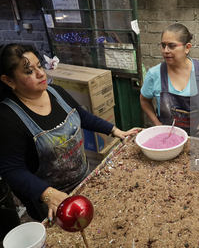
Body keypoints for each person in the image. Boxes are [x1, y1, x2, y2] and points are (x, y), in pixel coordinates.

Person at [0, 43, 139, 222]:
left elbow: (82, 116)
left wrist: (115, 130)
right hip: (51, 201)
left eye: (39, 66)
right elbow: (12, 170)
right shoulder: (7, 118)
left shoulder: (56, 92)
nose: (41, 74)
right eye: (28, 72)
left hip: (83, 182)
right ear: (9, 80)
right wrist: (49, 194)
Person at [140, 23, 199, 138]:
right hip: (168, 137)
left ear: (187, 48)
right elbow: (144, 100)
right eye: (163, 45)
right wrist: (157, 124)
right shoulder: (154, 74)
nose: (165, 51)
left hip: (198, 135)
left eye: (172, 46)